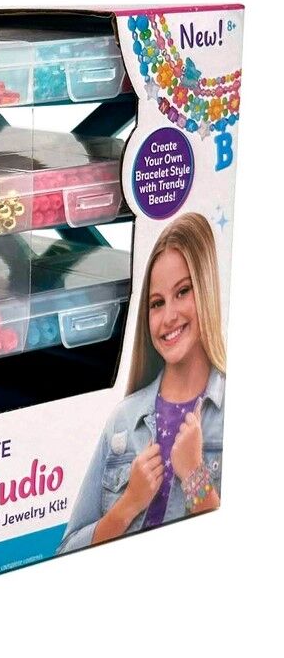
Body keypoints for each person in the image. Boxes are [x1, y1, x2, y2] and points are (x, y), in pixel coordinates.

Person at [58, 212, 226, 553]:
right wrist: (129, 503)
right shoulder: (124, 419)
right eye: (157, 303)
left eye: (183, 291)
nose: (169, 317)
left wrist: (194, 475)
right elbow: (67, 550)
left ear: (206, 289)